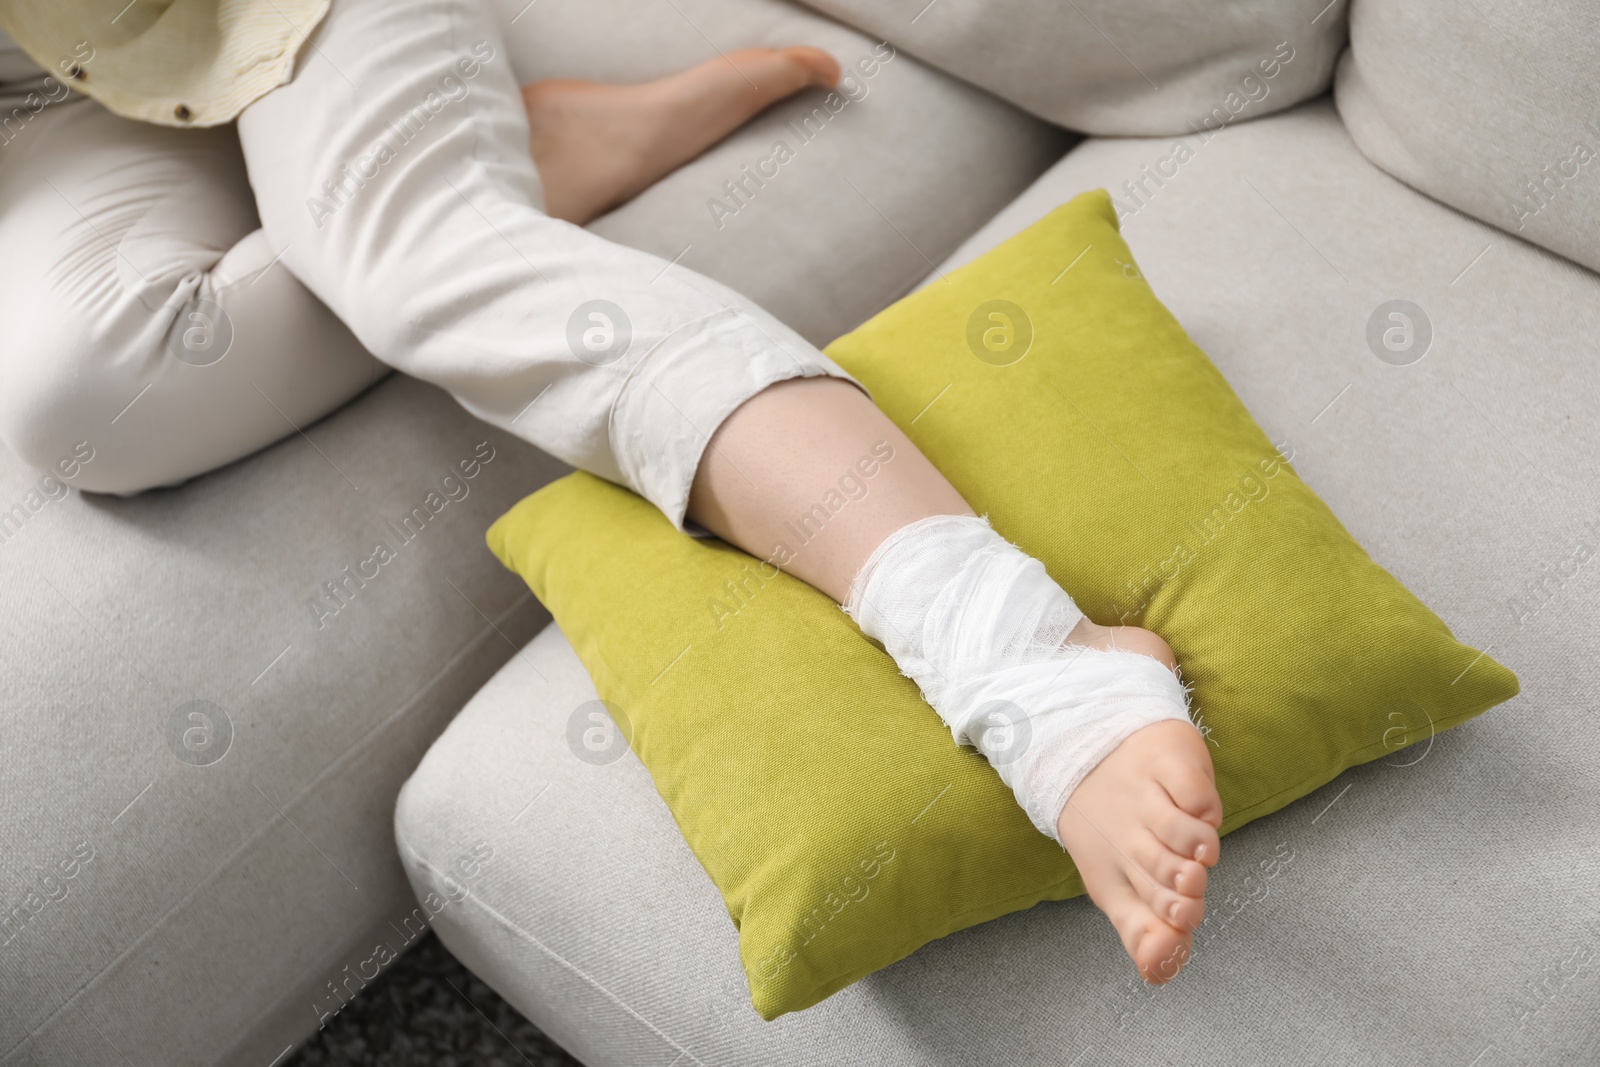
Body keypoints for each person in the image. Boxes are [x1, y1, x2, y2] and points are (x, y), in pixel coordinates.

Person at [0, 0, 1222, 984]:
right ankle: (515, 163)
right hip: (51, 96)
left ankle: (1033, 655)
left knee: (425, 260)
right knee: (79, 396)